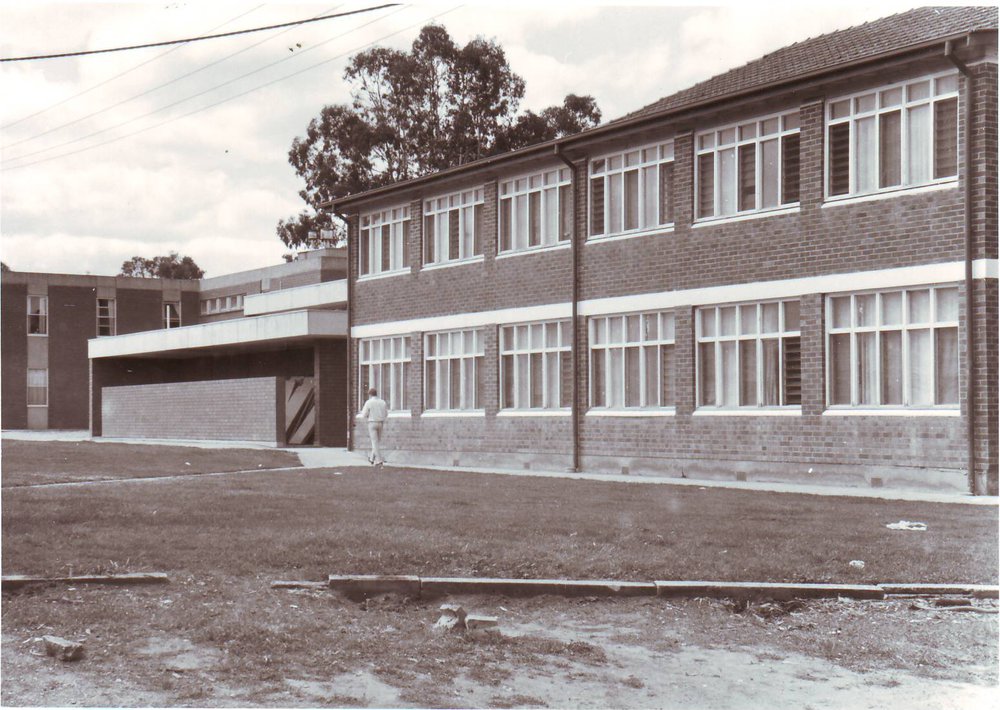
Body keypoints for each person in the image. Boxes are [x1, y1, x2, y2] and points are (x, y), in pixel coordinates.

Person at [359, 387, 388, 466]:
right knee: (377, 442)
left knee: (374, 442)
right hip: (381, 422)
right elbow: (386, 413)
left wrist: (368, 415)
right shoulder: (383, 402)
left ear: (370, 394)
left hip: (372, 422)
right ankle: (371, 458)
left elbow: (364, 414)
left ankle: (378, 460)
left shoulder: (368, 402)